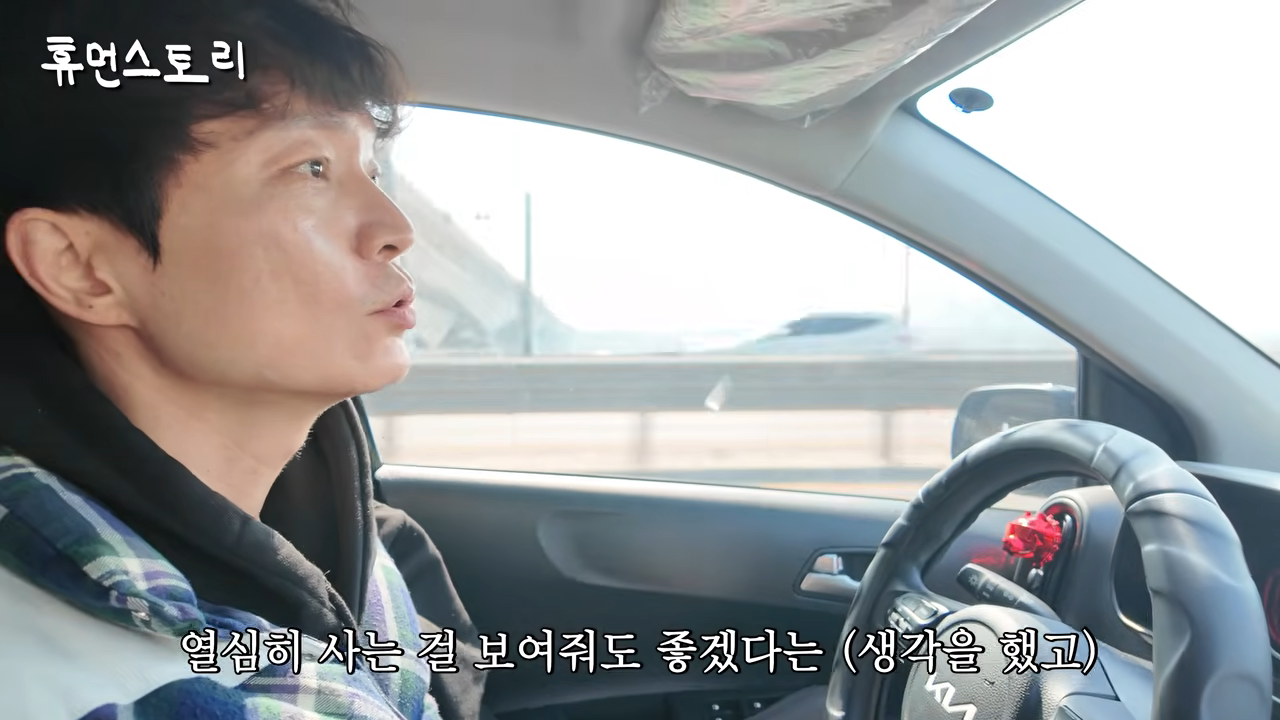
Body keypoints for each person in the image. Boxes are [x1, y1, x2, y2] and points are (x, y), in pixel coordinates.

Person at [0, 1, 830, 718]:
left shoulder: (351, 546)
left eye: (370, 166)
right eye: (311, 168)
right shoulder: (62, 671)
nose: (396, 228)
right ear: (81, 268)